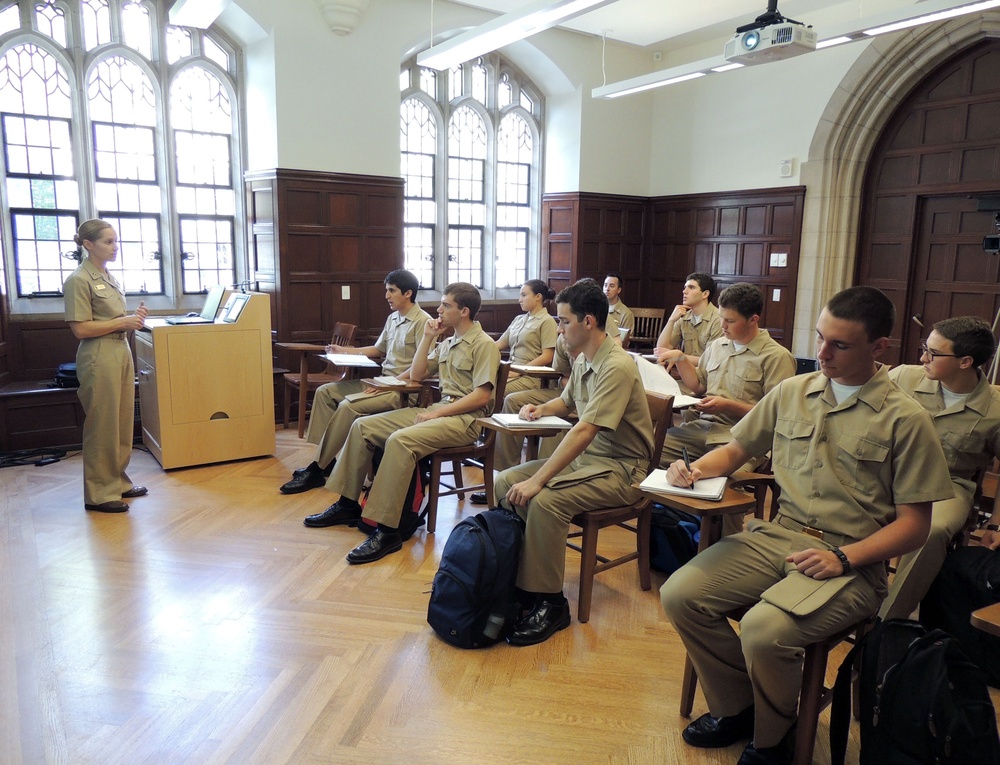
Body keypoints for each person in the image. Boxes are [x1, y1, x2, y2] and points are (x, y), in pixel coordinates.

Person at [660, 286, 953, 765]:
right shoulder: (794, 392)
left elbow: (915, 526)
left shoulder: (906, 418)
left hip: (852, 560)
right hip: (778, 535)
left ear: (879, 347)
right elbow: (736, 450)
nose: (821, 353)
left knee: (763, 629)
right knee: (680, 594)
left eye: (840, 344)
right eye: (820, 337)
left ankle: (774, 737)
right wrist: (693, 470)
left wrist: (843, 557)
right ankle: (741, 706)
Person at [494, 279, 654, 647]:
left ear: (589, 321)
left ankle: (550, 603)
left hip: (623, 470)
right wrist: (540, 408)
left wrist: (539, 480)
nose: (559, 329)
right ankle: (519, 578)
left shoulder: (616, 365)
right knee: (505, 482)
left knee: (546, 499)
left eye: (564, 321)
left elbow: (585, 429)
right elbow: (567, 403)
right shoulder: (584, 358)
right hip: (591, 461)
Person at [303, 282, 500, 565]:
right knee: (363, 426)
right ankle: (347, 504)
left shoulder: (484, 345)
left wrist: (437, 414)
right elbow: (416, 375)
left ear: (464, 311)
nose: (439, 309)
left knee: (400, 440)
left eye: (446, 305)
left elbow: (481, 396)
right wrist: (428, 338)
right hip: (440, 410)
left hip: (465, 420)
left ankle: (388, 530)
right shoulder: (448, 342)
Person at [877, 316, 1000, 621]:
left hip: (948, 486)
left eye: (933, 353)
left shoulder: (995, 408)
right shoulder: (904, 378)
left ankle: (885, 622)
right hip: (888, 473)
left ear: (965, 362)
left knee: (930, 531)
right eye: (925, 348)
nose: (923, 358)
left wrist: (996, 525)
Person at [278, 269, 431, 494]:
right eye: (387, 291)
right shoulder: (393, 318)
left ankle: (317, 469)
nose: (387, 296)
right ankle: (326, 461)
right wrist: (345, 351)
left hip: (403, 390)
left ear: (408, 293)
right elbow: (378, 350)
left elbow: (423, 367)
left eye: (391, 291)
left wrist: (390, 384)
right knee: (325, 392)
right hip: (382, 381)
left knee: (348, 405)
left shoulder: (423, 322)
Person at [656, 282, 795, 478]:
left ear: (753, 320)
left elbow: (776, 415)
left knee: (719, 480)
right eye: (721, 317)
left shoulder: (776, 357)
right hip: (701, 428)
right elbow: (698, 386)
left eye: (730, 320)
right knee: (646, 451)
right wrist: (681, 359)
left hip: (742, 439)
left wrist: (728, 406)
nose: (723, 326)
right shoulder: (718, 346)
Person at [63, 219, 148, 513]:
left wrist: (132, 319)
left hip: (120, 350)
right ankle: (99, 494)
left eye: (115, 241)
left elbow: (111, 319)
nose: (115, 247)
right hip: (98, 355)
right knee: (102, 425)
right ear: (88, 245)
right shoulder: (79, 280)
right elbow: (81, 329)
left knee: (121, 421)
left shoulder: (107, 276)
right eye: (108, 242)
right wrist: (123, 321)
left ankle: (118, 482)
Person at [493, 279, 558, 397]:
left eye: (524, 295)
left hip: (531, 376)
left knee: (491, 392)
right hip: (509, 371)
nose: (520, 300)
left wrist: (520, 371)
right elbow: (499, 344)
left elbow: (548, 356)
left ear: (538, 297)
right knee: (479, 386)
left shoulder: (547, 321)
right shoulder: (518, 319)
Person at [654, 272, 723, 368]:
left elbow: (711, 360)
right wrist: (671, 321)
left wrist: (678, 356)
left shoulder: (718, 319)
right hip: (687, 371)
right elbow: (661, 350)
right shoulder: (683, 316)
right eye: (685, 287)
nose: (684, 291)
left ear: (705, 294)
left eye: (691, 287)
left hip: (709, 374)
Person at [603, 273, 634, 346]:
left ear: (619, 290)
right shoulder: (596, 308)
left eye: (611, 286)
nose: (607, 289)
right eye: (605, 285)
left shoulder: (626, 314)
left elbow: (626, 341)